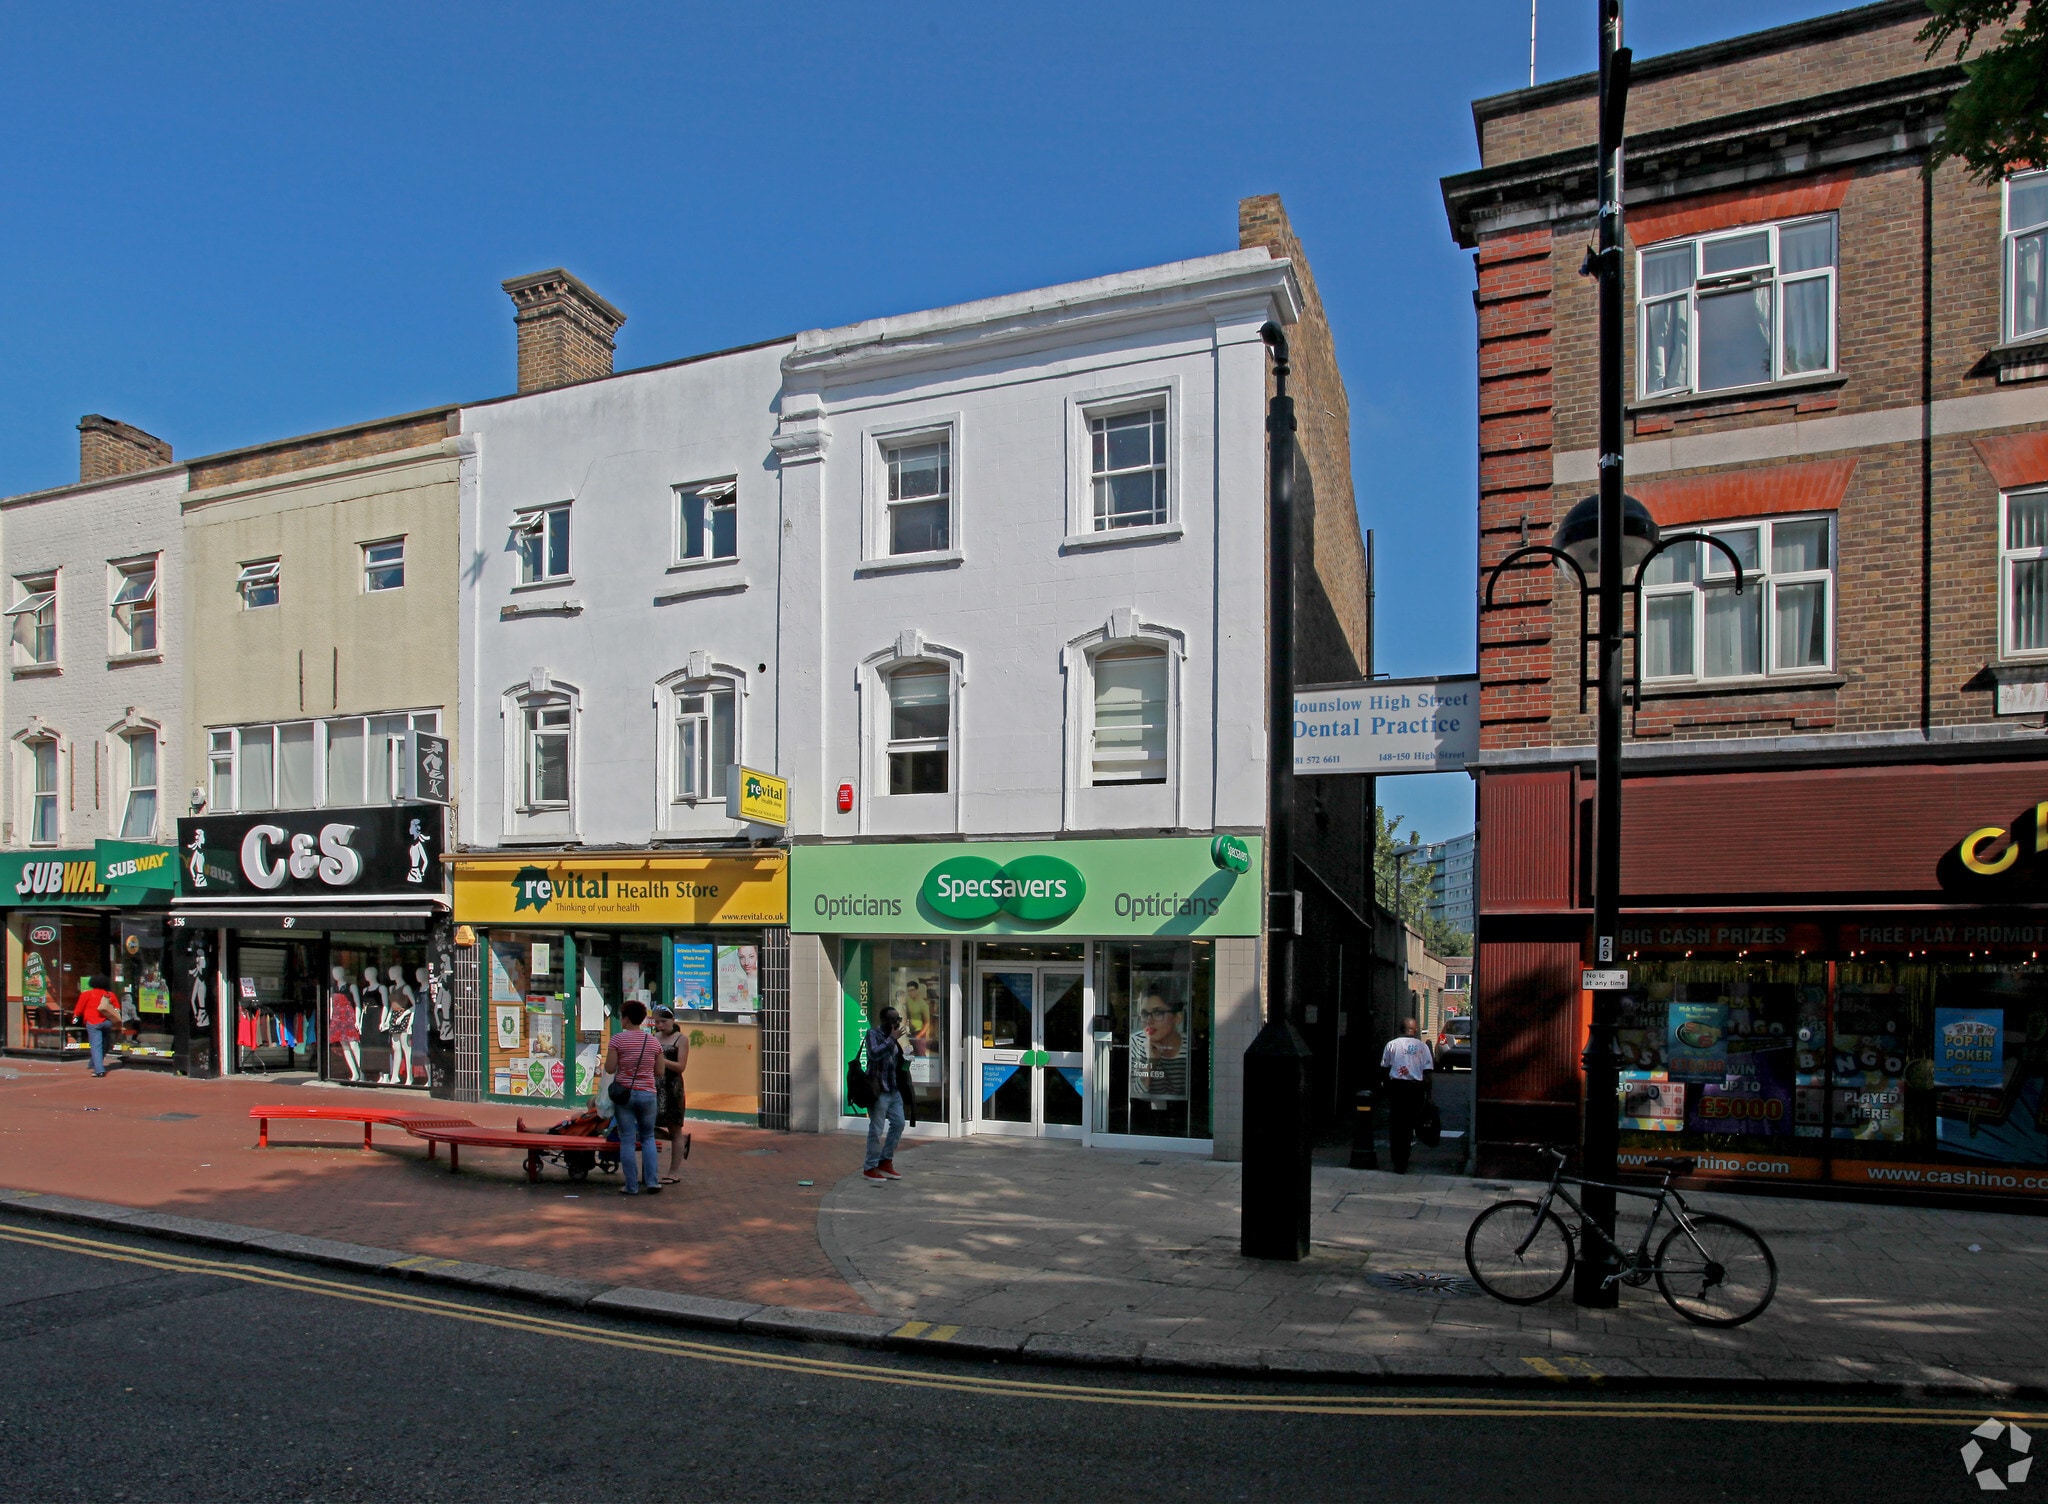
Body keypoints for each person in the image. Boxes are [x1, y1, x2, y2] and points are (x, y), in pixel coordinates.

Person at [604, 1000, 665, 1196]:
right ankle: (652, 1182)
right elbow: (660, 1071)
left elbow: (610, 1068)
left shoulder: (617, 1040)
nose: (620, 1019)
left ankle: (631, 1186)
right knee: (648, 1138)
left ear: (627, 1018)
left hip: (625, 1095)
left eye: (622, 1016)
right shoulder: (654, 1041)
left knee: (628, 1140)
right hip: (648, 1094)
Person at [862, 1006, 912, 1183]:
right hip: (878, 1090)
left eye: (898, 1019)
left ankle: (885, 1160)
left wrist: (906, 1058)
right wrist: (892, 1039)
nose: (896, 1023)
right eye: (893, 1020)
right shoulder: (872, 1034)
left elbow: (894, 1060)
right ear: (884, 1021)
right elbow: (874, 1054)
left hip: (893, 1089)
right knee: (876, 1129)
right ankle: (870, 1167)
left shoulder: (896, 1037)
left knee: (898, 1124)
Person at [1379, 1016, 1436, 1174]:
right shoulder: (1422, 1047)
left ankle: (1397, 1159)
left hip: (1397, 1088)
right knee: (1410, 1124)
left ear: (1401, 1028)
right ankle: (1404, 1157)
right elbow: (1428, 1074)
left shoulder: (1392, 1045)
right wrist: (1429, 1096)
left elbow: (1385, 1067)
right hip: (1415, 1089)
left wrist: (1385, 1086)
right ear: (1415, 1029)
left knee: (1396, 1124)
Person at [651, 1005, 692, 1184]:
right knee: (650, 1126)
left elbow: (681, 1067)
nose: (660, 1025)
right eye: (657, 1022)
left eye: (663, 1021)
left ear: (672, 1020)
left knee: (674, 1127)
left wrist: (661, 1060)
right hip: (654, 1086)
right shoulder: (653, 1038)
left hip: (672, 1087)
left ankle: (673, 1172)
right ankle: (650, 1170)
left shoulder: (680, 1039)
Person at [73, 976, 122, 1077]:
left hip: (92, 1022)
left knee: (96, 1046)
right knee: (105, 1044)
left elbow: (79, 1008)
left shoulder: (87, 994)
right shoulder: (110, 995)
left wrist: (76, 1017)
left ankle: (99, 1070)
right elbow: (117, 1008)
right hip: (107, 1022)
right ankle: (93, 1063)